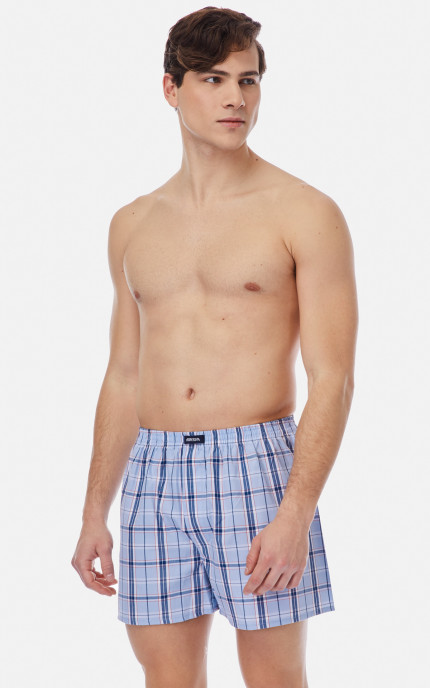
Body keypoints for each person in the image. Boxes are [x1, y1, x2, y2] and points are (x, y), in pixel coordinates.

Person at [71, 6, 358, 688]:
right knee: (167, 678)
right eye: (213, 79)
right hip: (154, 471)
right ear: (171, 89)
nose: (236, 98)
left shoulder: (303, 211)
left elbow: (333, 376)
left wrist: (296, 512)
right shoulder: (132, 223)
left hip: (257, 466)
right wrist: (93, 513)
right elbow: (124, 374)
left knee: (274, 676)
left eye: (248, 80)